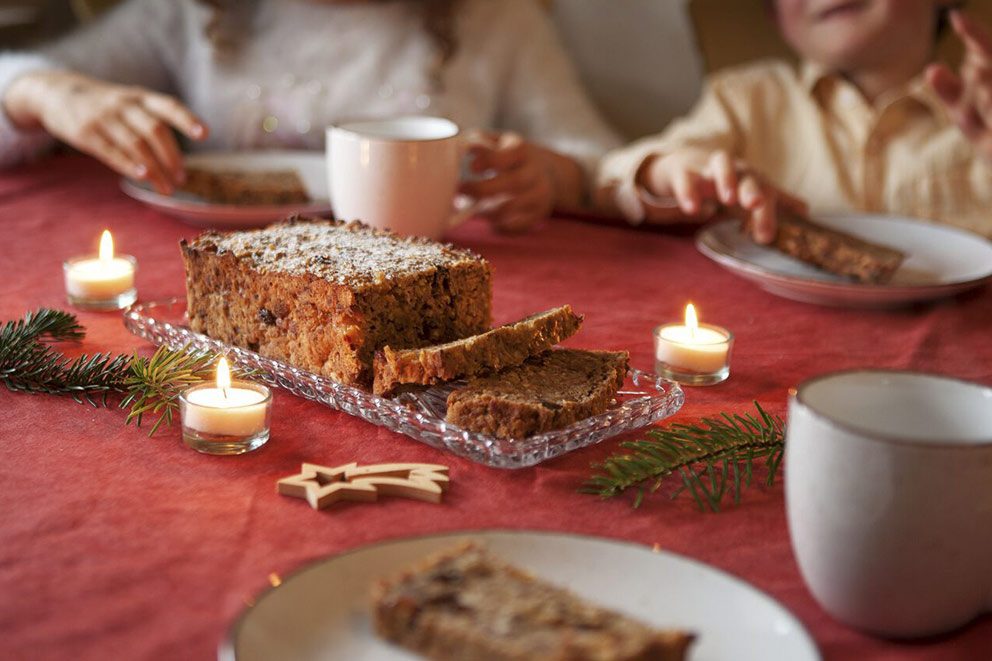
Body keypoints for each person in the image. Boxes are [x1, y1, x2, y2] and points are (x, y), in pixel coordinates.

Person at [0, 0, 619, 233]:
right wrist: (46, 93)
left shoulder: (494, 19)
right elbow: (20, 91)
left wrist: (553, 176)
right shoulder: (191, 13)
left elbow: (597, 159)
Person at [597, 1, 992, 241]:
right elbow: (609, 176)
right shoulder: (746, 100)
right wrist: (668, 171)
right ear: (773, 13)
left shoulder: (983, 116)